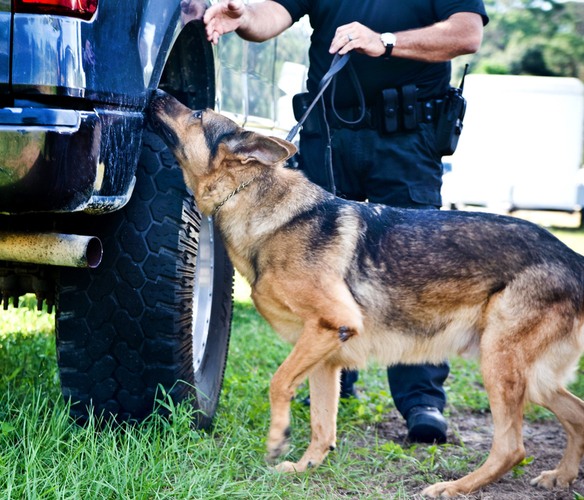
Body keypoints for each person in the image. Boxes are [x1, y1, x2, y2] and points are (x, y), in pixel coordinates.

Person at [204, 0, 488, 443]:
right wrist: (244, 19)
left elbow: (466, 33)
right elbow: (271, 17)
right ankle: (331, 383)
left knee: (413, 272)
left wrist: (386, 43)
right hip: (329, 134)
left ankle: (422, 401)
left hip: (408, 136)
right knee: (319, 271)